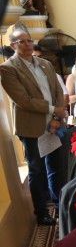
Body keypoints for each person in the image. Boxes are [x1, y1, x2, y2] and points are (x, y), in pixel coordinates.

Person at [0, 27, 66, 225]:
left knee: (57, 167)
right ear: (13, 46)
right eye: (22, 42)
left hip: (53, 121)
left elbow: (58, 91)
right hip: (31, 126)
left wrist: (56, 115)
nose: (28, 45)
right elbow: (24, 101)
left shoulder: (45, 63)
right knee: (37, 170)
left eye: (29, 40)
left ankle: (60, 205)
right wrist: (55, 108)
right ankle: (41, 212)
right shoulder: (8, 69)